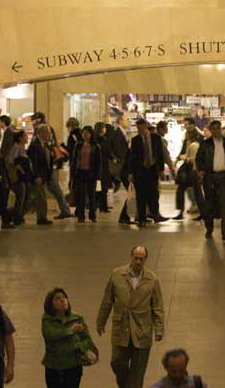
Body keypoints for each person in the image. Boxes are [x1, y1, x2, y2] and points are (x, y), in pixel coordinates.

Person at [97, 245, 165, 388]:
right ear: (131, 257)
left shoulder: (152, 280)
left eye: (141, 259)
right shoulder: (117, 275)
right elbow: (107, 300)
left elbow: (158, 307)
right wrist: (101, 321)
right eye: (136, 258)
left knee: (138, 371)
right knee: (117, 362)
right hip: (121, 328)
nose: (138, 262)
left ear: (146, 259)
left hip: (142, 331)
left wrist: (159, 329)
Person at [42, 287, 97, 388]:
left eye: (64, 297)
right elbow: (51, 335)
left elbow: (88, 340)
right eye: (57, 298)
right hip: (54, 367)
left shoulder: (77, 318)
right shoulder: (47, 320)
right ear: (51, 304)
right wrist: (71, 330)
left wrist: (78, 346)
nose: (62, 300)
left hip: (73, 366)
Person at [196, 120, 225, 241]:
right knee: (209, 205)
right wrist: (201, 171)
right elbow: (199, 159)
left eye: (218, 128)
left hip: (224, 177)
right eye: (213, 129)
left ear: (220, 129)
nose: (216, 131)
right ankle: (209, 228)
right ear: (211, 130)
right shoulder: (205, 144)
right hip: (210, 177)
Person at [31, 112, 73, 220]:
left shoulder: (41, 130)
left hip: (46, 166)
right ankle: (64, 209)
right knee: (54, 189)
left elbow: (47, 146)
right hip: (48, 165)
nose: (32, 122)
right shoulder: (47, 128)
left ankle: (63, 210)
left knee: (50, 190)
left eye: (34, 120)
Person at [129, 119, 166, 227]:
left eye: (141, 128)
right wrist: (131, 173)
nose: (139, 130)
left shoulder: (156, 138)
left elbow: (160, 155)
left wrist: (161, 170)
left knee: (154, 193)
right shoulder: (135, 140)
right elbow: (133, 157)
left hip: (152, 169)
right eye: (138, 129)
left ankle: (155, 214)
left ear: (146, 126)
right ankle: (142, 218)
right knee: (141, 195)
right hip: (140, 170)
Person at [71, 126, 102, 223]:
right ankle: (81, 215)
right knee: (81, 195)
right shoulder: (78, 145)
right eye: (83, 133)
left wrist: (98, 176)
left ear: (91, 134)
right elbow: (74, 159)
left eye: (87, 133)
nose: (85, 135)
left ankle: (92, 215)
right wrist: (73, 173)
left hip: (91, 173)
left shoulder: (96, 146)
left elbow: (98, 162)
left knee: (91, 195)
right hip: (80, 172)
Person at [173, 134, 204, 221]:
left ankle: (202, 212)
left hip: (191, 171)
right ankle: (202, 212)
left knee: (195, 192)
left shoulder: (193, 145)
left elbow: (193, 159)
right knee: (194, 191)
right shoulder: (192, 145)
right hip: (191, 171)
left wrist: (185, 158)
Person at [27, 124, 54, 225]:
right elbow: (34, 162)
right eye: (48, 133)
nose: (49, 135)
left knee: (42, 197)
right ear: (42, 133)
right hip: (39, 176)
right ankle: (41, 218)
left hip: (44, 176)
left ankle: (42, 216)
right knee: (40, 198)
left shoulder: (45, 145)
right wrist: (37, 176)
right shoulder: (35, 145)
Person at [111, 115, 134, 224]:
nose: (127, 121)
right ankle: (124, 216)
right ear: (120, 121)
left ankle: (126, 216)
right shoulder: (118, 134)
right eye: (125, 119)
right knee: (131, 192)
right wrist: (124, 161)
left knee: (131, 192)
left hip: (124, 166)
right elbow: (119, 150)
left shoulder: (122, 133)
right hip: (123, 168)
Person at [5, 130, 31, 227]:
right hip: (18, 178)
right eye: (25, 136)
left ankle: (17, 215)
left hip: (21, 177)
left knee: (22, 198)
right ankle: (15, 217)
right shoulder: (17, 148)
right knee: (20, 198)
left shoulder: (20, 148)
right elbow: (12, 161)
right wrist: (20, 170)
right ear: (20, 138)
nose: (27, 137)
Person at [0, 115, 14, 225]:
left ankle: (7, 217)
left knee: (3, 197)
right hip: (3, 174)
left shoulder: (9, 133)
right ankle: (6, 218)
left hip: (5, 172)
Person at [94, 122, 112, 213]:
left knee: (98, 187)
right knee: (103, 187)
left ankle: (96, 205)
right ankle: (103, 206)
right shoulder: (103, 140)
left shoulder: (94, 140)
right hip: (103, 166)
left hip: (97, 166)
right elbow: (107, 152)